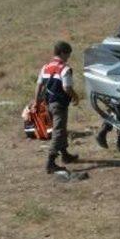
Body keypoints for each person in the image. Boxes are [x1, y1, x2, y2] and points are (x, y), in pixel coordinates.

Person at [33, 41, 80, 174]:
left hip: (48, 103)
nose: (68, 58)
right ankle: (50, 162)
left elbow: (39, 85)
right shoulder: (65, 69)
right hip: (59, 104)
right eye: (68, 55)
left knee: (61, 128)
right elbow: (66, 87)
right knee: (58, 131)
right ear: (63, 53)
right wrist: (75, 97)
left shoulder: (45, 67)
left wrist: (36, 102)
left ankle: (65, 154)